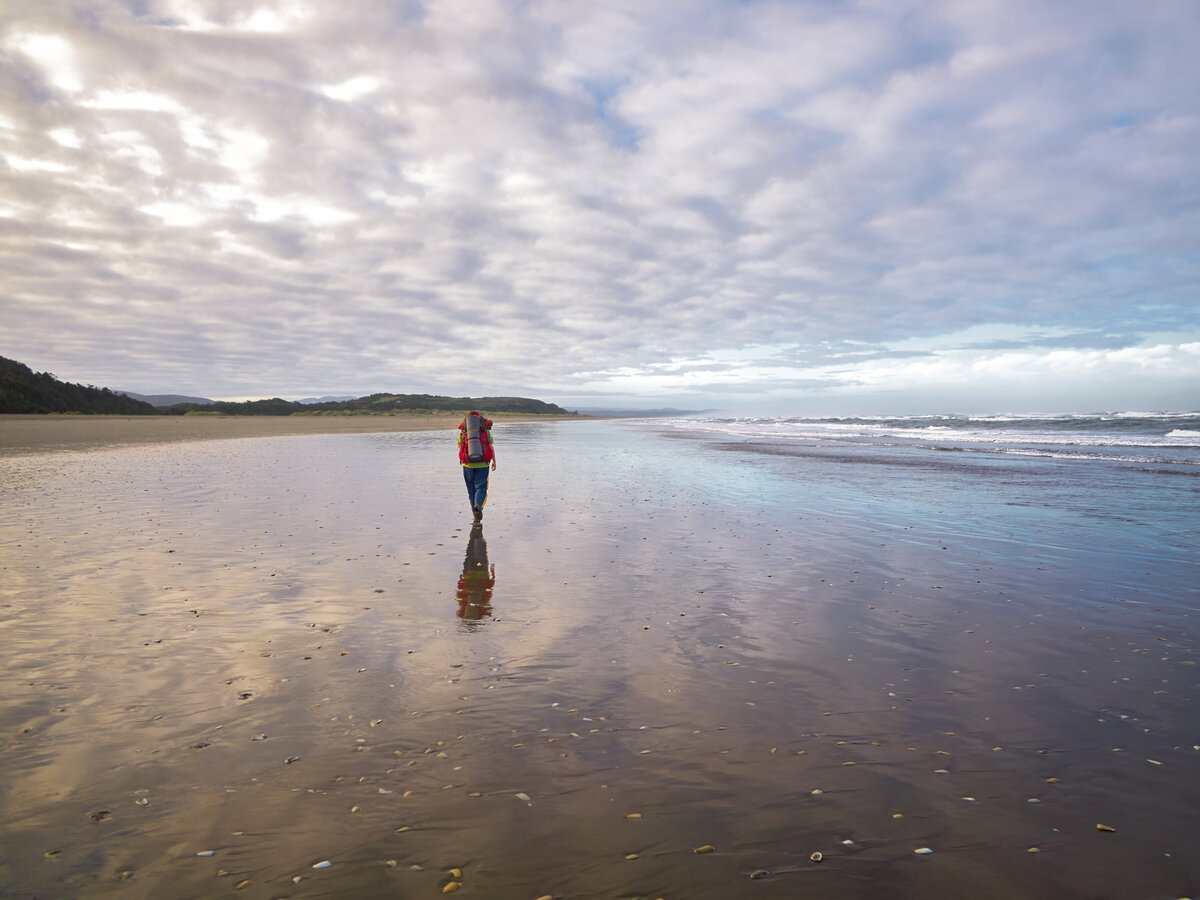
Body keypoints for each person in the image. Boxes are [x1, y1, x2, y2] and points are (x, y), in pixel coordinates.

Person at [457, 411, 496, 521]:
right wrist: (494, 461)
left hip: (467, 464)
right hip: (483, 464)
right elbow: (491, 447)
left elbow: (460, 445)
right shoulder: (485, 431)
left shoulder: (464, 432)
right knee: (481, 488)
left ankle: (475, 514)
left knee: (471, 490)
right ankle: (478, 506)